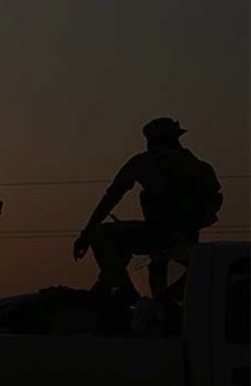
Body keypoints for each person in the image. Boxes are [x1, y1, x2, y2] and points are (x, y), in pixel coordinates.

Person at [73, 117, 223, 310]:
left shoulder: (146, 162)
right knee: (164, 280)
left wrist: (86, 234)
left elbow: (112, 197)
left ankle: (123, 289)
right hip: (184, 239)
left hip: (162, 234)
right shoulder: (201, 168)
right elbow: (215, 201)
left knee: (101, 234)